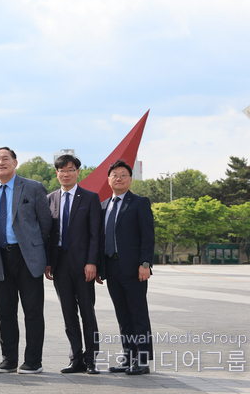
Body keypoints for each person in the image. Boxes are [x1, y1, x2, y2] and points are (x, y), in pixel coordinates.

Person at [0, 147, 52, 374]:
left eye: (5, 159)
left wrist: (40, 253)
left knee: (33, 311)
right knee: (5, 313)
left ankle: (33, 361)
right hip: (0, 257)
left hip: (28, 257)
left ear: (15, 162)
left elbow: (46, 224)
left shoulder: (33, 187)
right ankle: (9, 359)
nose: (1, 163)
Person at [44, 154, 102, 374]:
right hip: (59, 264)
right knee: (68, 313)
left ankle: (91, 359)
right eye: (62, 170)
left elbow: (95, 234)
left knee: (87, 312)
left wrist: (92, 262)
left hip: (83, 265)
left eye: (70, 170)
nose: (66, 174)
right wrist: (48, 262)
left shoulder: (90, 198)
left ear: (78, 172)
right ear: (57, 173)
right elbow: (49, 234)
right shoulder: (50, 199)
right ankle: (76, 357)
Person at [100, 159, 155, 375]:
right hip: (111, 268)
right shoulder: (103, 205)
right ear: (108, 179)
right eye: (115, 175)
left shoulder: (140, 203)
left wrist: (145, 264)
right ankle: (128, 356)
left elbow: (148, 236)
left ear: (130, 179)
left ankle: (142, 360)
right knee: (122, 315)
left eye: (123, 175)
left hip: (134, 269)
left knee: (138, 314)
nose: (119, 178)